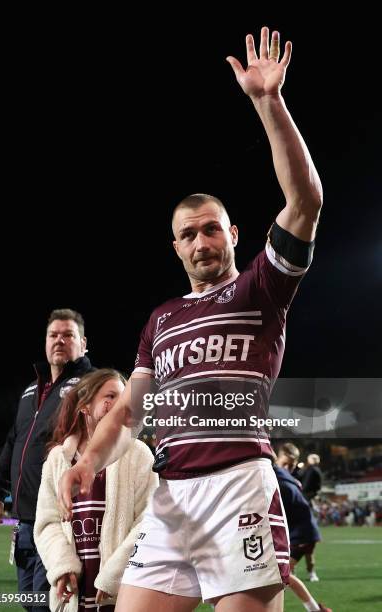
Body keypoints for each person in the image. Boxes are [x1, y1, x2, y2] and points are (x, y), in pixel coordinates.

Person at [58, 26, 323, 612]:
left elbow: (305, 201)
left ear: (232, 234)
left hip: (238, 485)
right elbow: (132, 408)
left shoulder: (261, 289)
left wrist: (267, 102)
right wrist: (92, 458)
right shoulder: (161, 318)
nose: (200, 240)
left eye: (210, 228)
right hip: (172, 494)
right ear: (175, 247)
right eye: (187, 234)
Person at [0, 308, 94, 612]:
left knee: (52, 606)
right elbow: (12, 443)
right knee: (30, 603)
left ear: (83, 343)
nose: (59, 340)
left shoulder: (91, 386)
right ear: (45, 342)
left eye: (68, 335)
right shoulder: (31, 390)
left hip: (59, 523)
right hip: (24, 526)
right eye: (53, 335)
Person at [34, 369, 158, 612]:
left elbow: (150, 519)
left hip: (122, 590)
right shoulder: (57, 459)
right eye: (110, 396)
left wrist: (115, 574)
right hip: (73, 591)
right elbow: (47, 523)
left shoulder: (139, 454)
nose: (117, 404)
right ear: (85, 406)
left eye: (122, 398)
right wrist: (62, 567)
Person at [274, 444, 330, 611]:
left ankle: (315, 609)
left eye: (291, 465)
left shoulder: (281, 478)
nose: (288, 468)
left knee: (281, 574)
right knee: (282, 574)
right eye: (285, 464)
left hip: (303, 534)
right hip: (299, 533)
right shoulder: (287, 479)